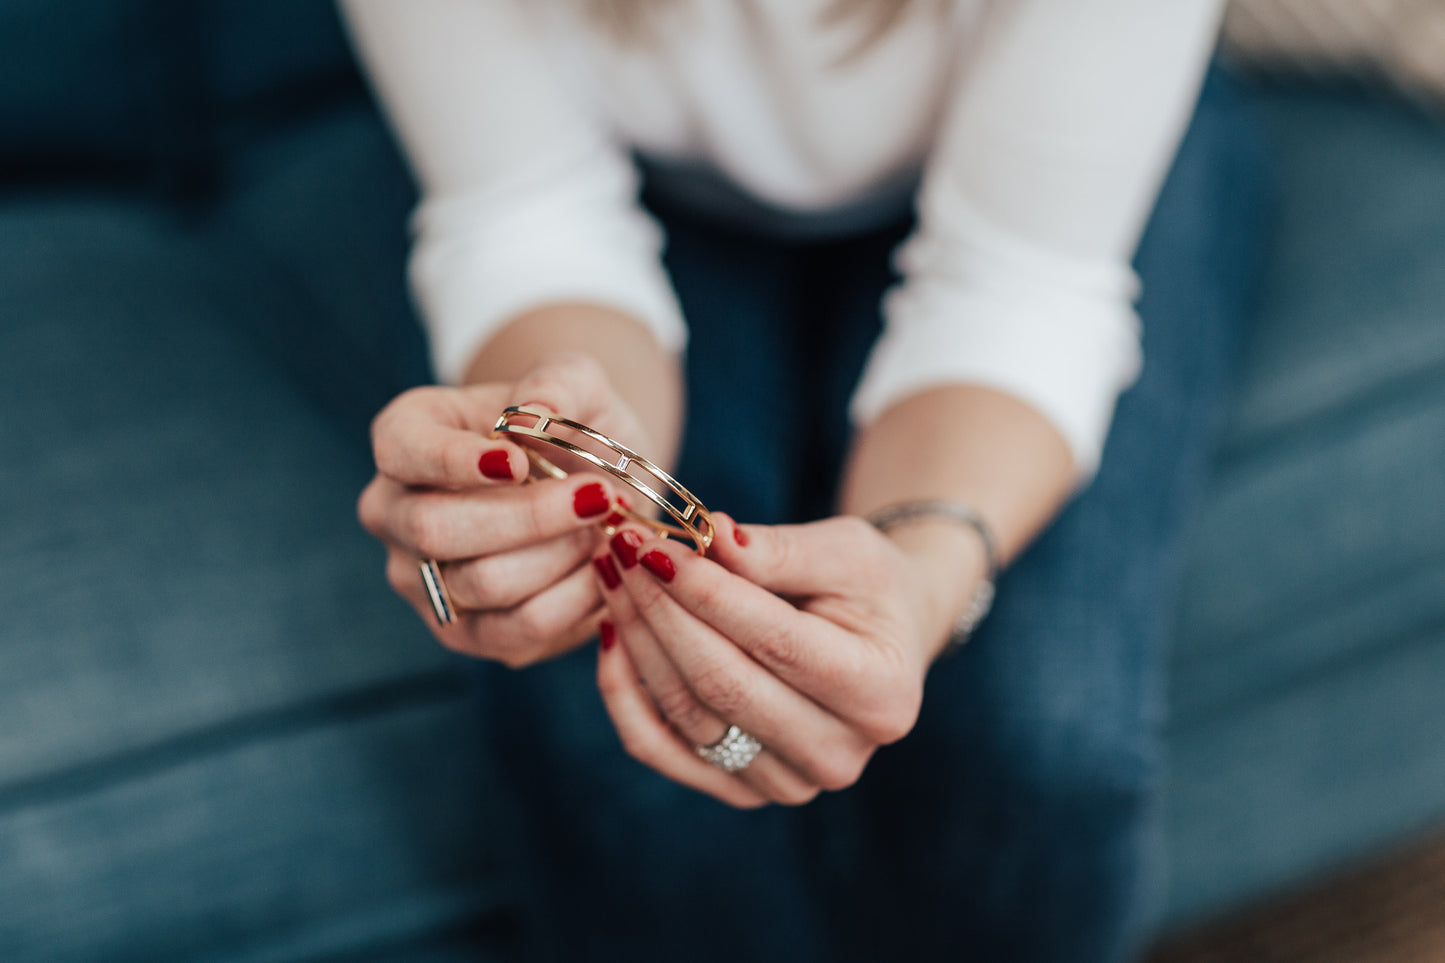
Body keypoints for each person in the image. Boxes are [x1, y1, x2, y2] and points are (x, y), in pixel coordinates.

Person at [342, 1, 1267, 959]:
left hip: (1070, 172)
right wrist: (562, 469)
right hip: (637, 179)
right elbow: (527, 211)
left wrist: (919, 583)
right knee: (610, 708)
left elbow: (1018, 282)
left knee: (1036, 734)